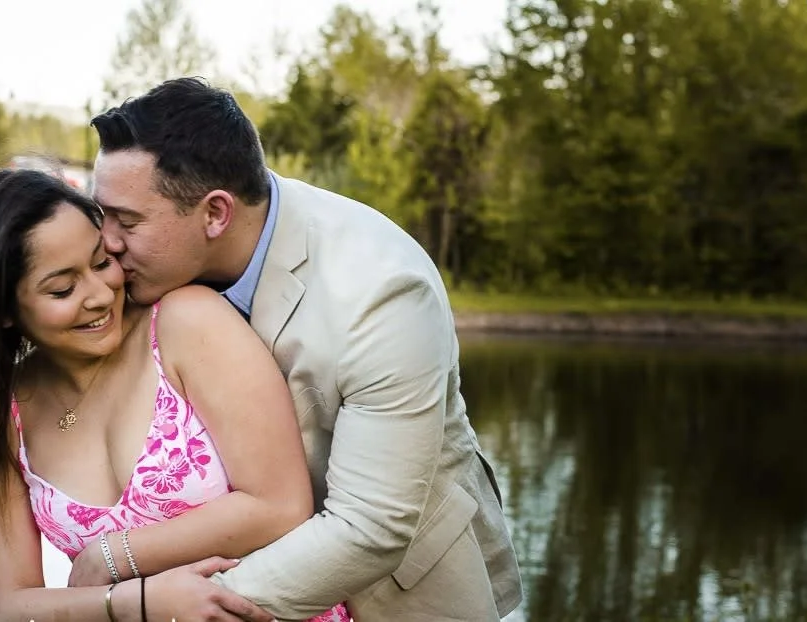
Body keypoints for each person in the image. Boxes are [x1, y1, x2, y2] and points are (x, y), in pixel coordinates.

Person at [85, 77, 525, 621]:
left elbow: (370, 526)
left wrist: (164, 608)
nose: (107, 242)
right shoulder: (152, 270)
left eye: (127, 221)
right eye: (102, 215)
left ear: (216, 214)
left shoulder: (382, 292)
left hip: (396, 594)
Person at [0, 168, 349, 621]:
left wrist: (113, 556)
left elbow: (282, 506)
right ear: (2, 310)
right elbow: (12, 607)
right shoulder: (4, 415)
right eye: (63, 289)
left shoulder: (186, 324)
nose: (99, 295)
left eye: (101, 263)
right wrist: (140, 602)